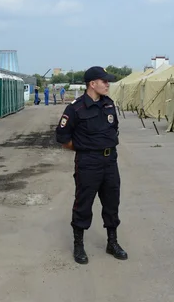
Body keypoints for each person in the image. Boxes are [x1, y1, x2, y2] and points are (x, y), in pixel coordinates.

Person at [55, 66, 128, 264]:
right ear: (92, 84)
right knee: (83, 203)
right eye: (104, 81)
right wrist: (84, 149)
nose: (108, 84)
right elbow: (62, 138)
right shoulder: (75, 108)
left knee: (112, 202)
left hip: (110, 161)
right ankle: (79, 245)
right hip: (88, 162)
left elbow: (114, 129)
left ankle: (112, 242)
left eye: (107, 81)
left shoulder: (109, 105)